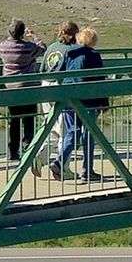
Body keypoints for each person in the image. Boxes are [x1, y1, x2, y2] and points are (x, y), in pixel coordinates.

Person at [56, 27, 107, 181]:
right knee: (88, 134)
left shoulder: (69, 53)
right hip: (88, 100)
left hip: (69, 98)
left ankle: (59, 161)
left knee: (73, 131)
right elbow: (99, 80)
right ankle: (87, 171)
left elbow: (61, 73)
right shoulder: (94, 55)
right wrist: (104, 102)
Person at [0, 20, 45, 171]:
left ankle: (13, 152)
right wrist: (35, 36)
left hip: (11, 89)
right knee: (29, 119)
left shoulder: (3, 46)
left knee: (14, 120)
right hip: (28, 88)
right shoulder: (28, 47)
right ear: (23, 32)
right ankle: (28, 148)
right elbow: (43, 49)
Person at [40, 21, 80, 169]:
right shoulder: (72, 50)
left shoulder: (51, 47)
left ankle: (39, 156)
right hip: (60, 87)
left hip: (46, 85)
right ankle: (63, 167)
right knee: (65, 129)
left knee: (51, 126)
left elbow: (43, 68)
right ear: (73, 34)